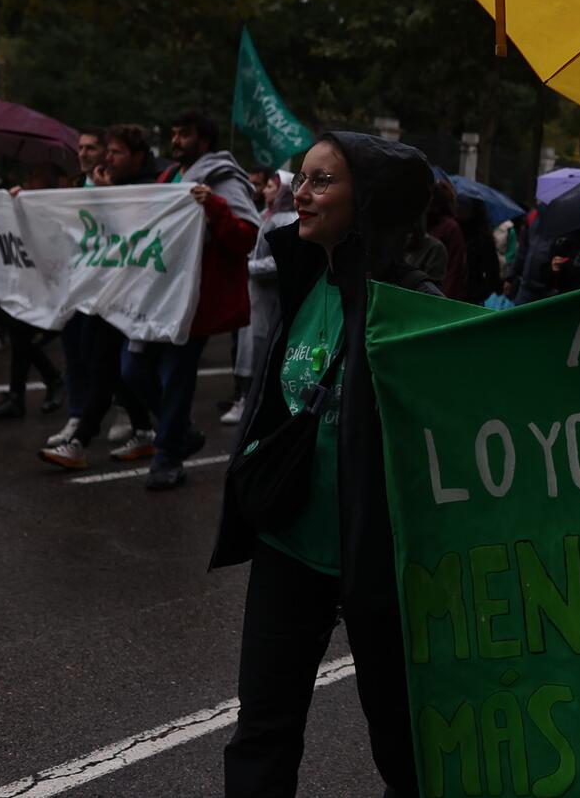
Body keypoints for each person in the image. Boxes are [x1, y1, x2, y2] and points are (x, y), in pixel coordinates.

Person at [211, 131, 438, 796]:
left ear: (366, 200)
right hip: (289, 545)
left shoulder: (414, 305)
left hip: (378, 559)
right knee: (262, 730)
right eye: (300, 177)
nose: (297, 194)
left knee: (402, 740)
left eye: (320, 181)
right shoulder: (305, 271)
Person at [122, 111, 259, 491]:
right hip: (154, 295)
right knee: (132, 369)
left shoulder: (225, 180)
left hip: (190, 300)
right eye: (174, 133)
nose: (176, 140)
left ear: (204, 140)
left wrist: (213, 206)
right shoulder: (169, 178)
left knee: (177, 379)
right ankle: (180, 431)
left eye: (184, 134)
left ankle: (168, 458)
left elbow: (247, 236)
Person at [40, 125, 159, 466]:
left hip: (128, 292)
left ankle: (80, 440)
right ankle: (147, 430)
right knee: (108, 366)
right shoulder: (86, 184)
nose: (108, 158)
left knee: (111, 367)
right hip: (94, 289)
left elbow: (136, 234)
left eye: (116, 152)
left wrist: (109, 197)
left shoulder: (151, 189)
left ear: (138, 157)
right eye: (108, 151)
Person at [0, 162, 66, 419]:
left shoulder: (61, 203)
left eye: (36, 174)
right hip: (27, 281)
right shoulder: (27, 200)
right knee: (19, 334)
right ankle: (20, 394)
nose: (30, 178)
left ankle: (49, 383)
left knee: (24, 336)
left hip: (52, 282)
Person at [224, 170, 297, 427]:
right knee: (247, 346)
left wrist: (249, 268)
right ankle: (245, 398)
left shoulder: (287, 219)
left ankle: (253, 401)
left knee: (261, 348)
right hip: (253, 294)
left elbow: (282, 261)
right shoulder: (267, 215)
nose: (266, 189)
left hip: (268, 297)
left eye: (271, 185)